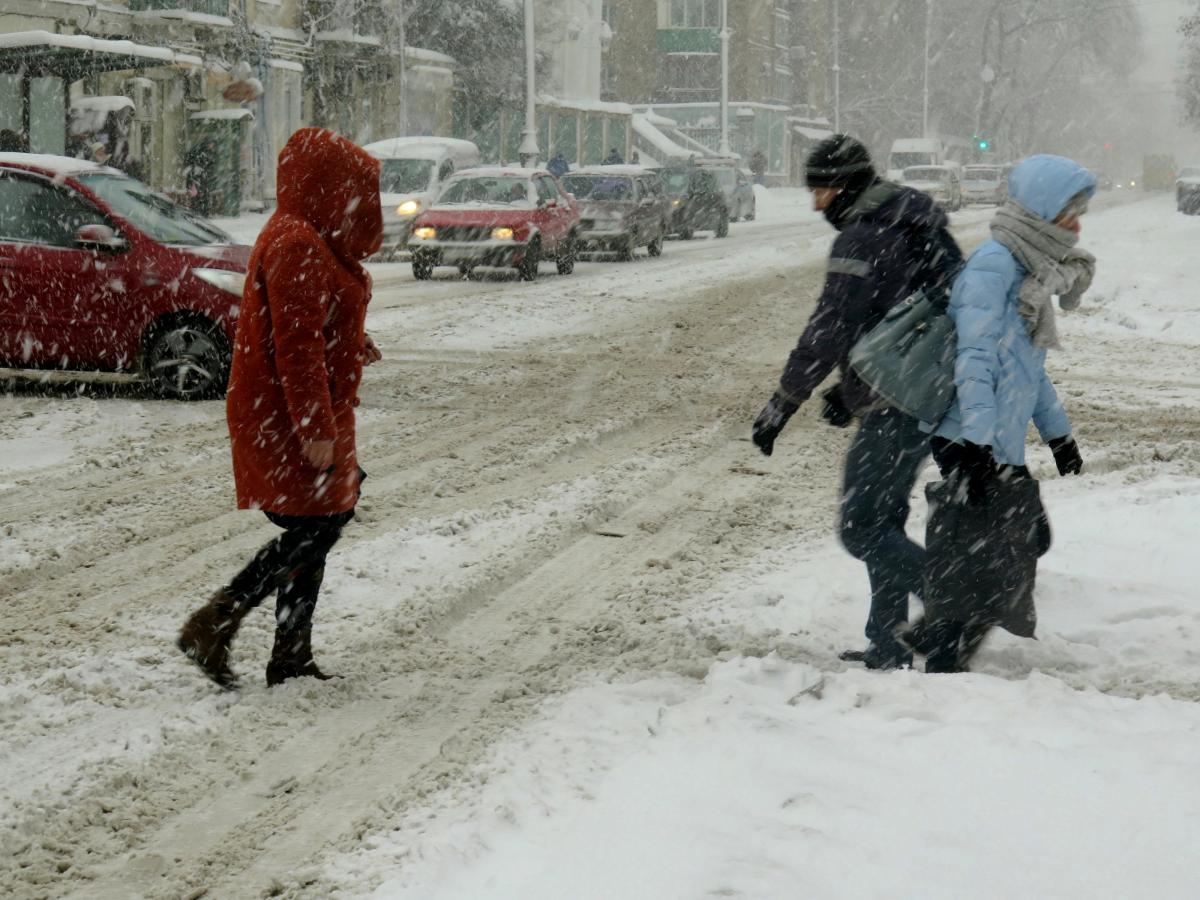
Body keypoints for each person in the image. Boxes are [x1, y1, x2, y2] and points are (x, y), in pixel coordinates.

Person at [177, 128, 384, 689]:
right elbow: (295, 346)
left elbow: (308, 322)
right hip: (289, 413)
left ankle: (280, 649)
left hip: (303, 410)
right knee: (315, 527)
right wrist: (314, 427)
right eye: (353, 191)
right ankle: (219, 623)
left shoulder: (310, 236)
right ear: (327, 186)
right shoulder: (299, 241)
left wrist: (352, 339)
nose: (364, 207)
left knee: (322, 524)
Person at [751, 134, 963, 670]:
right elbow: (914, 322)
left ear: (845, 186)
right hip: (931, 393)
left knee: (861, 526)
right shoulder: (922, 226)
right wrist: (850, 392)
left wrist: (783, 403)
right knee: (884, 520)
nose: (815, 203)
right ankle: (889, 641)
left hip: (896, 400)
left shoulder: (862, 238)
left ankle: (953, 603)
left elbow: (830, 328)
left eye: (821, 191)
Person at [903, 154, 1095, 673]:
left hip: (992, 437)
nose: (1077, 225)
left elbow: (1025, 369)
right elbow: (976, 361)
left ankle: (939, 635)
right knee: (999, 549)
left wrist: (1058, 434)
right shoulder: (994, 267)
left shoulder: (1031, 272)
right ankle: (943, 651)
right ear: (1041, 211)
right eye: (1069, 213)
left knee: (1010, 543)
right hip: (966, 435)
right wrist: (978, 443)